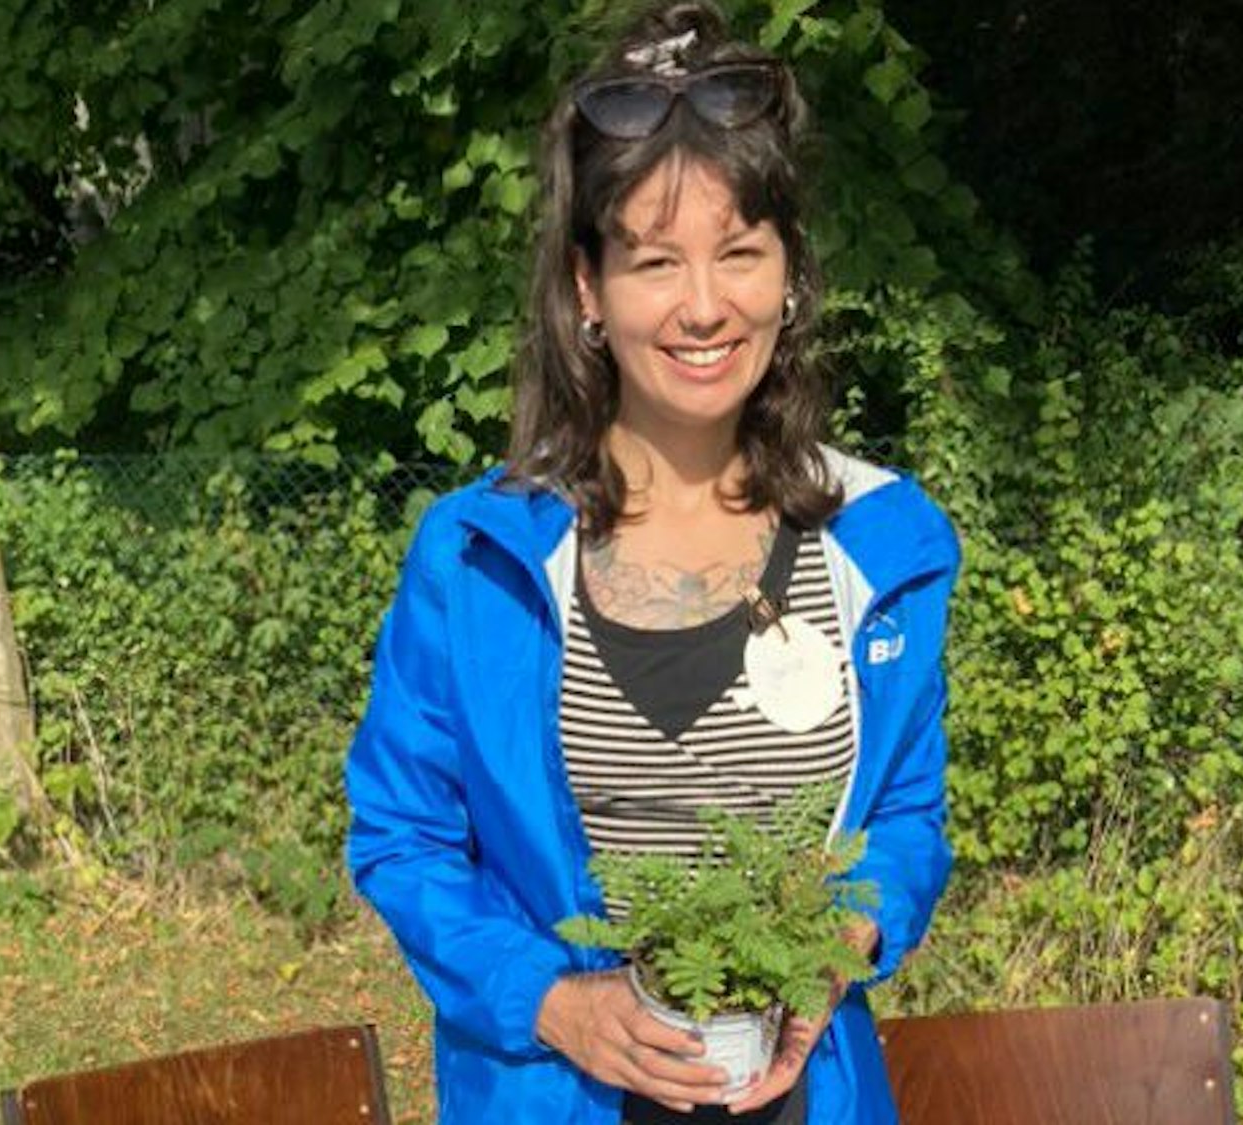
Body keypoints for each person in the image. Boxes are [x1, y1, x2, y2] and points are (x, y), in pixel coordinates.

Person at [344, 4, 959, 1122]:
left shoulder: (881, 548)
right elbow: (403, 836)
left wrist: (848, 931)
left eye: (739, 254)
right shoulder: (478, 562)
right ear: (587, 287)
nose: (704, 307)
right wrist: (550, 1000)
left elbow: (908, 816)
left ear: (789, 275)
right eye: (654, 261)